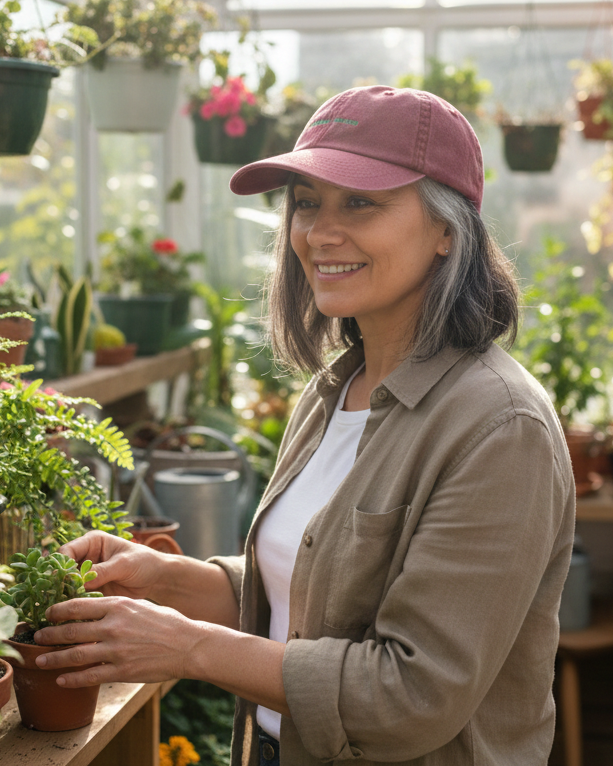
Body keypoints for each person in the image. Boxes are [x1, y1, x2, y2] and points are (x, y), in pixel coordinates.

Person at [35, 86, 575, 766]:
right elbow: (317, 596)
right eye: (306, 202)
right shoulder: (332, 391)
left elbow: (412, 694)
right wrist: (169, 582)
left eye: (360, 201)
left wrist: (188, 646)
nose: (319, 231)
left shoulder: (498, 426)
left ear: (447, 229)